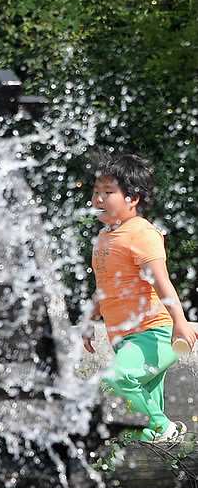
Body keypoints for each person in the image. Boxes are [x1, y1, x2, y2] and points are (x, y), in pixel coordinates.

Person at [83, 151, 197, 442]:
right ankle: (166, 449)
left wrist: (180, 322)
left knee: (117, 379)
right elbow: (105, 284)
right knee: (144, 401)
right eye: (96, 191)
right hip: (124, 335)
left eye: (108, 192)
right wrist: (89, 319)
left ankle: (166, 429)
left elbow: (162, 282)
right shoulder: (105, 237)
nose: (98, 199)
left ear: (132, 198)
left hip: (154, 332)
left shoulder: (141, 233)